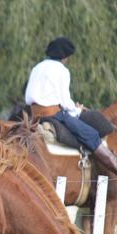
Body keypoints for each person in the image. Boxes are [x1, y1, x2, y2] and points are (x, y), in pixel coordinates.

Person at [25, 36, 117, 174]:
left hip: (33, 114)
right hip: (53, 115)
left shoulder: (37, 67)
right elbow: (65, 102)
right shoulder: (62, 70)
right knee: (91, 134)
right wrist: (77, 110)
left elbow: (28, 97)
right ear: (65, 57)